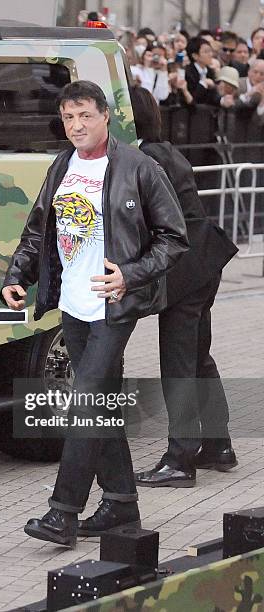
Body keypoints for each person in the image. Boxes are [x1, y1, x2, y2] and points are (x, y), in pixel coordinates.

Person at [2, 80, 188, 546]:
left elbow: (174, 238)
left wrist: (129, 274)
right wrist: (15, 277)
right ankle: (121, 505)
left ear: (106, 116)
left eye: (85, 115)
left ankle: (62, 512)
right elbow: (38, 229)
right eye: (68, 117)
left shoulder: (138, 167)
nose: (77, 125)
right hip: (72, 307)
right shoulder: (62, 165)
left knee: (84, 405)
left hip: (113, 306)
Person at [130, 87, 238, 488]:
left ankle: (180, 458)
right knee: (197, 357)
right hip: (205, 261)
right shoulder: (165, 150)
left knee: (178, 362)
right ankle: (218, 445)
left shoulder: (146, 158)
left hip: (185, 269)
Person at [185, 37, 220, 106]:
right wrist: (203, 84)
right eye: (206, 52)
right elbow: (193, 98)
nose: (210, 54)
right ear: (195, 56)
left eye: (210, 51)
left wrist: (213, 87)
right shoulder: (188, 72)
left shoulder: (211, 72)